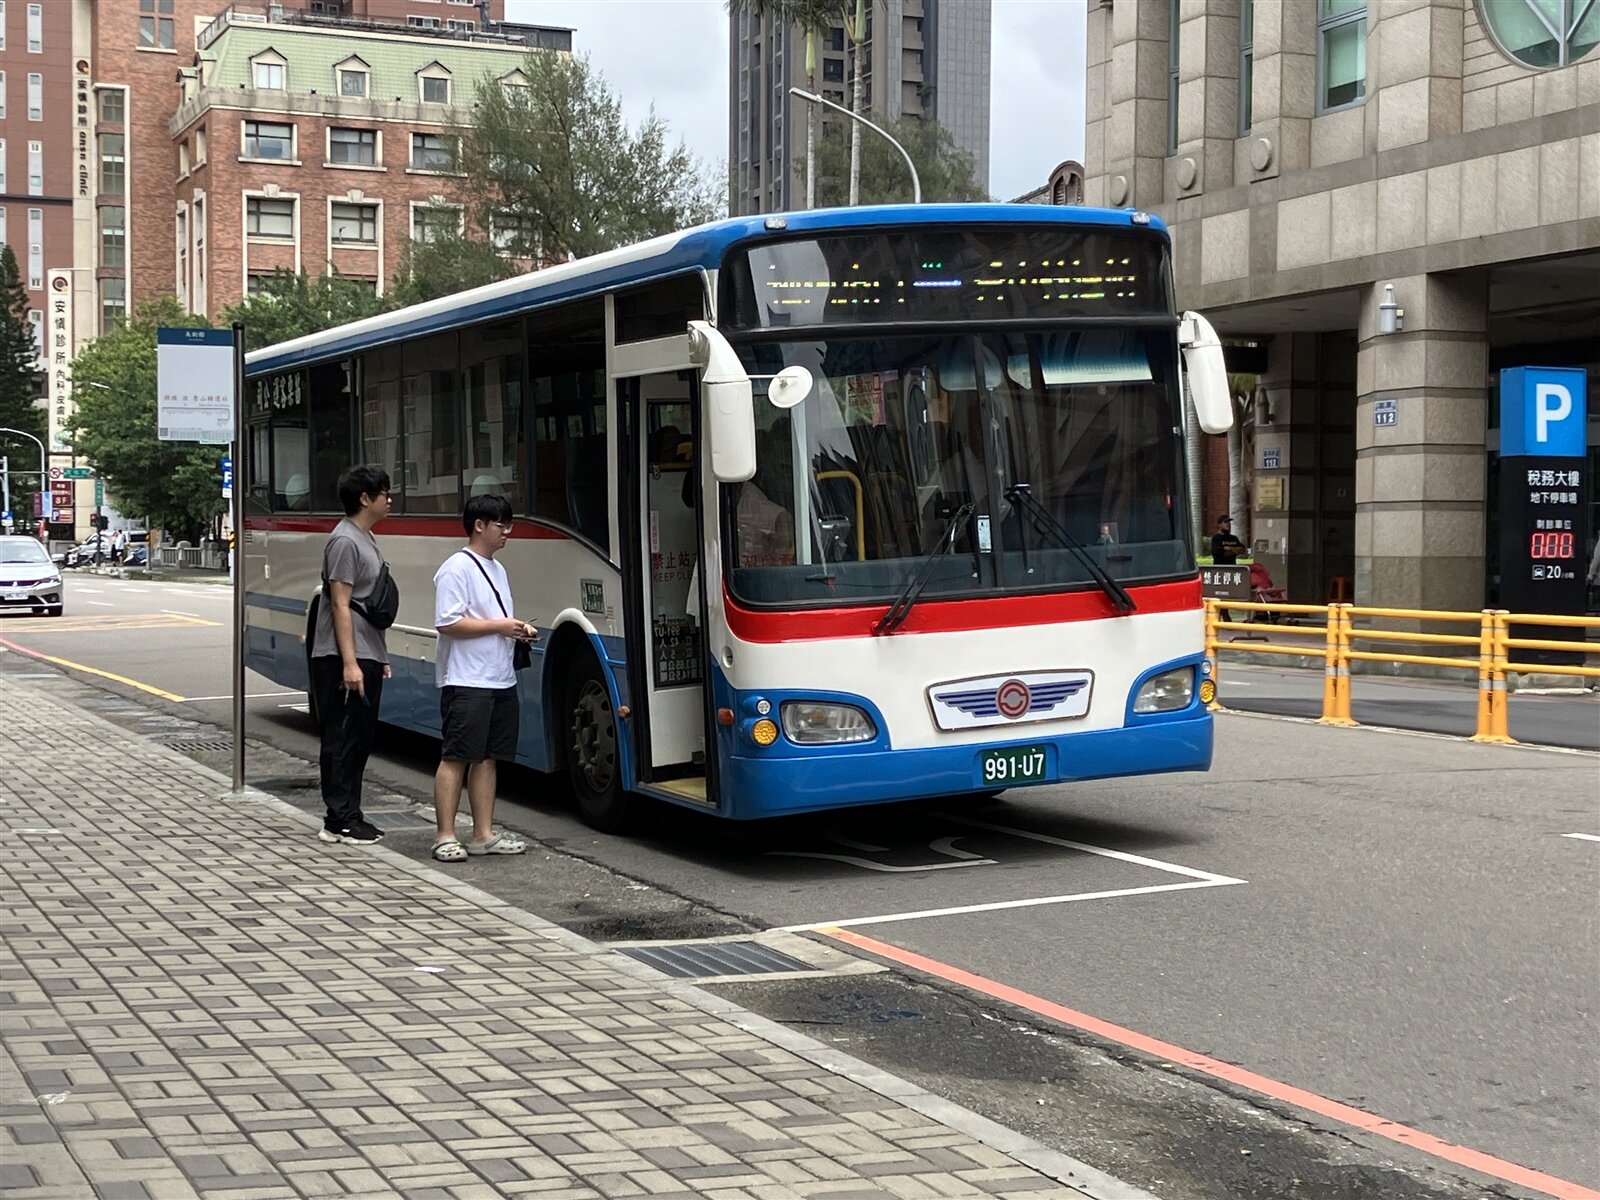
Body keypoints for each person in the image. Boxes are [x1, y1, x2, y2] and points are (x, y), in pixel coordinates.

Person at [428, 493, 534, 863]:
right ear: (479, 526)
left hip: (499, 677)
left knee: (488, 757)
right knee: (457, 756)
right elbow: (447, 622)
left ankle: (482, 834)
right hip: (466, 679)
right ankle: (444, 835)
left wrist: (517, 629)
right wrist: (501, 626)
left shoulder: (498, 569)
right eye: (501, 525)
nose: (507, 532)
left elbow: (491, 618)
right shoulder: (456, 568)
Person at [310, 464, 394, 846]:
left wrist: (379, 656)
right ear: (364, 498)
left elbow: (366, 605)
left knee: (359, 738)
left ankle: (350, 815)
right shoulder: (345, 541)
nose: (389, 499)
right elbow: (340, 604)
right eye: (384, 493)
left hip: (364, 651)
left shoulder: (365, 538)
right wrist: (350, 663)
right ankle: (337, 820)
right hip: (342, 656)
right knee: (342, 738)